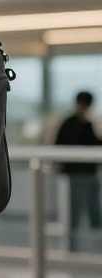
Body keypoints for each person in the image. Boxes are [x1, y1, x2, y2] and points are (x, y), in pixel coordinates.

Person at [55, 91, 101, 242]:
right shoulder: (70, 123)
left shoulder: (87, 124)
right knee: (73, 208)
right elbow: (60, 145)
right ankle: (70, 241)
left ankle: (94, 240)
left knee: (93, 207)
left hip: (88, 172)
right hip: (74, 173)